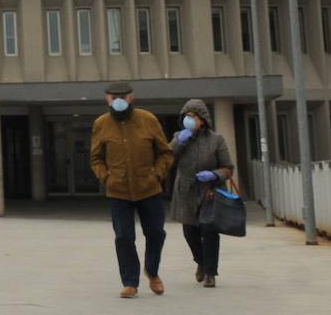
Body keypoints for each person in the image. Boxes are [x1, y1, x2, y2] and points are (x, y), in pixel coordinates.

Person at [90, 81, 174, 299]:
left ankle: (152, 271)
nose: (118, 101)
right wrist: (106, 177)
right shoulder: (101, 123)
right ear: (107, 99)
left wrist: (156, 174)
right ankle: (130, 282)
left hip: (149, 188)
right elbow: (96, 157)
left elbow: (165, 153)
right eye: (113, 97)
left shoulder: (148, 120)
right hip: (118, 191)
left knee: (156, 233)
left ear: (131, 98)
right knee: (124, 237)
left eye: (123, 97)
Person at [169, 99, 234, 288]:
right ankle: (201, 262)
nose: (188, 119)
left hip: (209, 192)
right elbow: (167, 159)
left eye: (193, 116)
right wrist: (178, 142)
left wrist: (213, 175)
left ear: (203, 119)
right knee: (190, 232)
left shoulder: (217, 140)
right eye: (186, 116)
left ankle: (210, 273)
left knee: (209, 232)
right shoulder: (179, 137)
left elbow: (228, 168)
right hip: (186, 191)